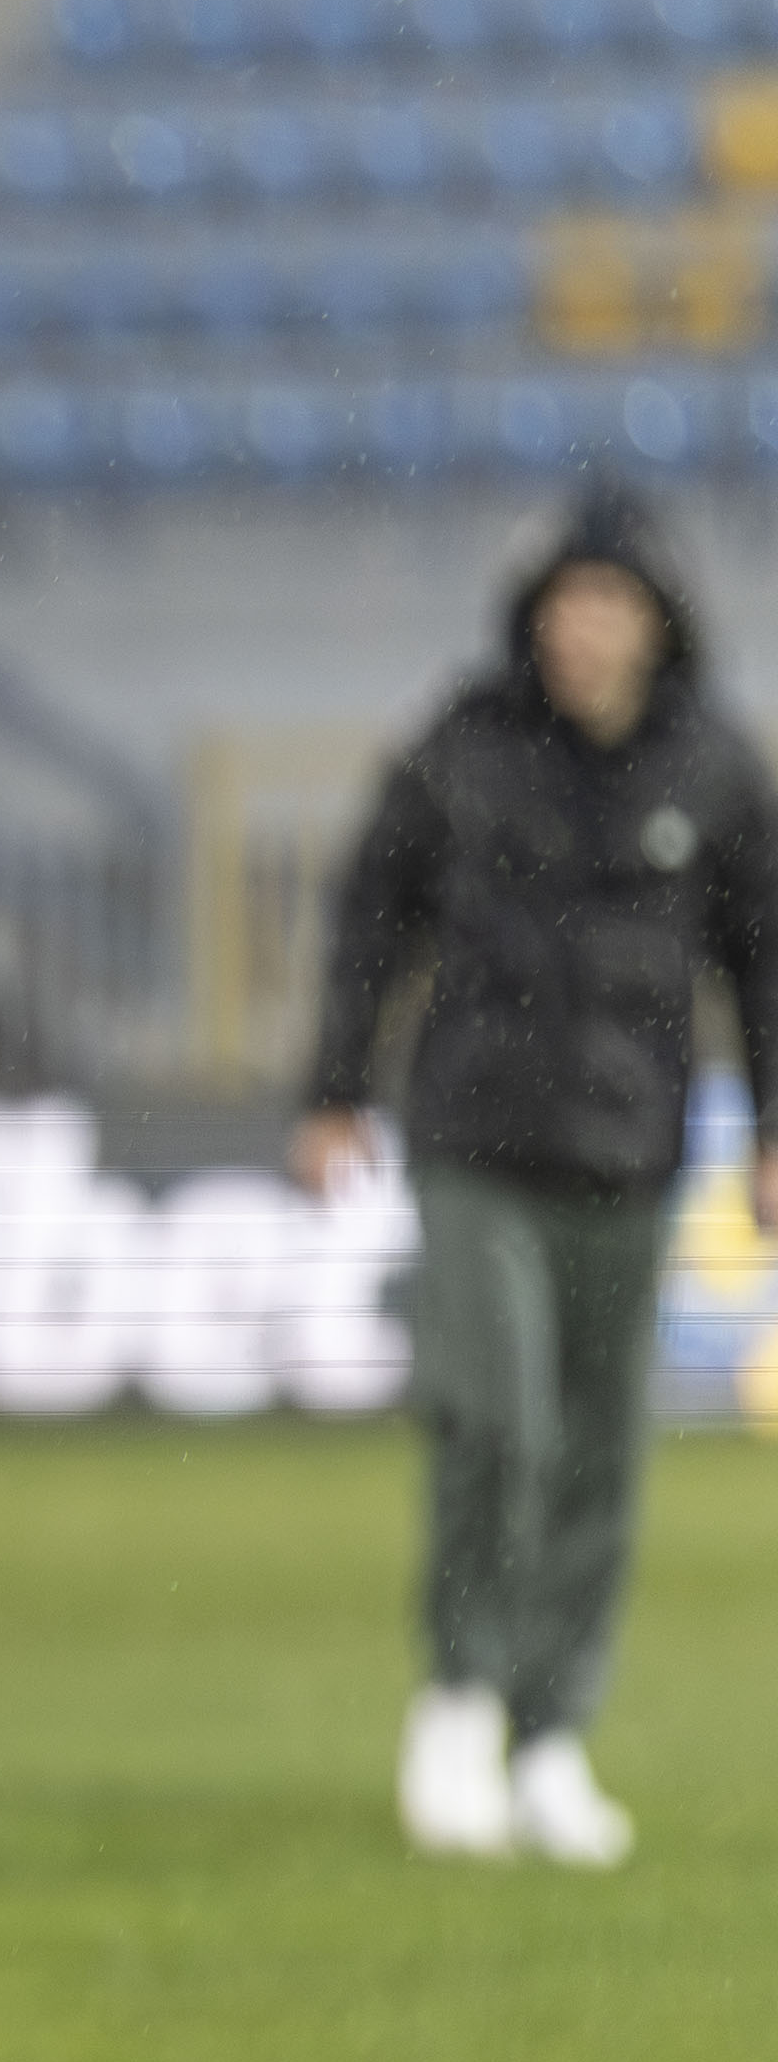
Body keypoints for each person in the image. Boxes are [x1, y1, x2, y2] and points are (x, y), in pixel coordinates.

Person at [298, 488, 778, 1869]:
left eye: (612, 602)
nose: (587, 628)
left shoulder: (715, 767)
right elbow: (370, 911)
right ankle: (460, 1695)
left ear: (659, 621)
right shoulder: (464, 748)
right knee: (495, 1422)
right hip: (475, 1145)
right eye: (569, 601)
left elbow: (764, 955)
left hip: (631, 1157)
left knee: (601, 1457)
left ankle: (553, 1732)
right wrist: (333, 1086)